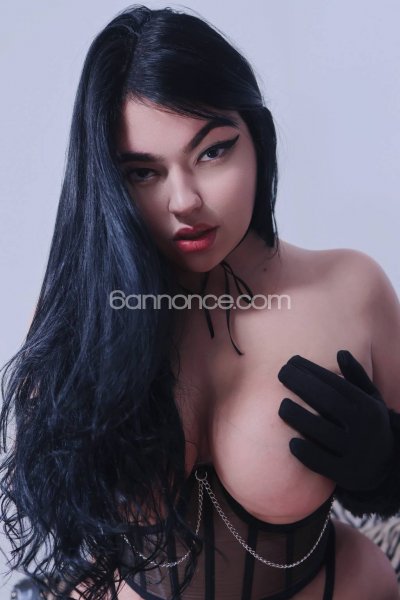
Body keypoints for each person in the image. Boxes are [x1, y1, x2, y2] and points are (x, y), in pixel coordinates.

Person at [1, 5, 400, 600]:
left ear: (257, 139)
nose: (184, 201)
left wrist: (388, 466)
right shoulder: (80, 319)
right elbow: (62, 513)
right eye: (143, 172)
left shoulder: (351, 288)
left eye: (211, 152)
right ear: (106, 181)